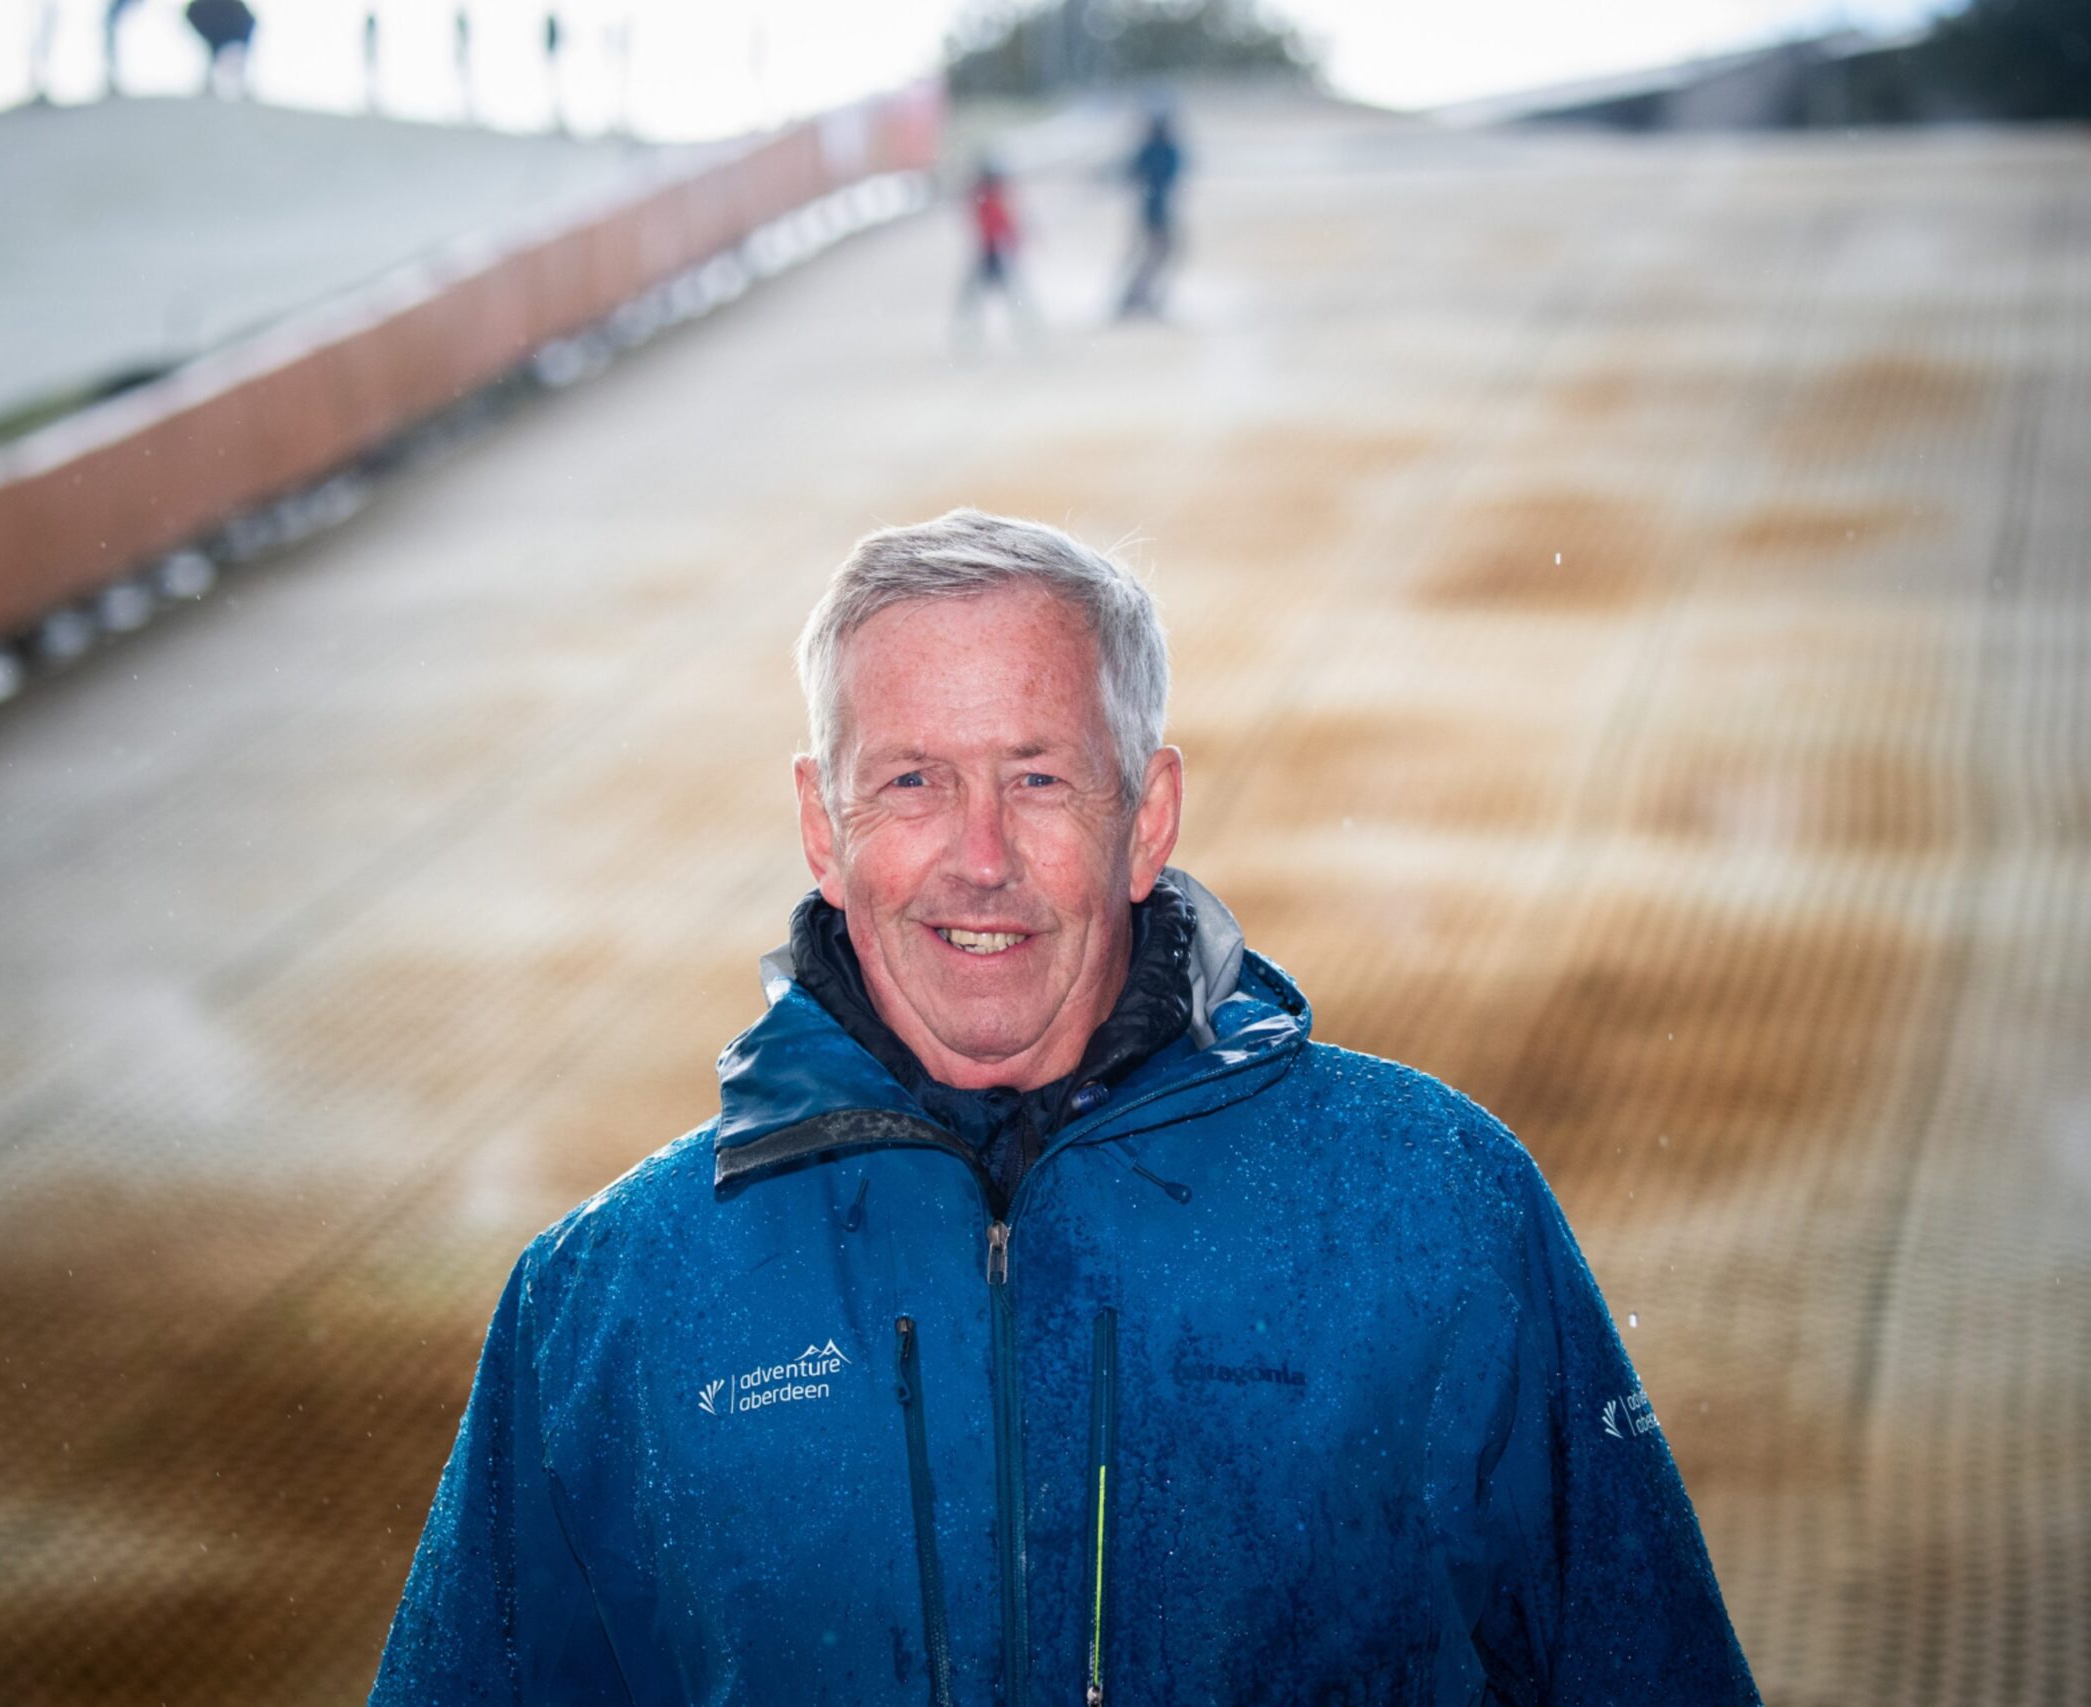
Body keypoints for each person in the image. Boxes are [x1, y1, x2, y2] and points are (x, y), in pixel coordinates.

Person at [368, 510, 1761, 1703]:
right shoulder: (609, 1304)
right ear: (822, 823)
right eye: (912, 780)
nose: (980, 859)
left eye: (1038, 778)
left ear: (1147, 815)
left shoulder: (1438, 1210)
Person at [955, 157, 1036, 351]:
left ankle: (970, 337)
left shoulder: (983, 195)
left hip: (993, 250)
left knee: (979, 298)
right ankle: (1025, 332)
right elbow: (1002, 222)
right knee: (1007, 296)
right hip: (992, 250)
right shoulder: (989, 196)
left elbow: (998, 222)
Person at [1116, 107, 1183, 319]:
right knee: (1158, 254)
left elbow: (1131, 172)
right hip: (1156, 210)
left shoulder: (1154, 149)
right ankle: (1138, 298)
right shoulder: (1164, 150)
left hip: (1154, 209)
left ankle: (1138, 297)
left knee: (1155, 254)